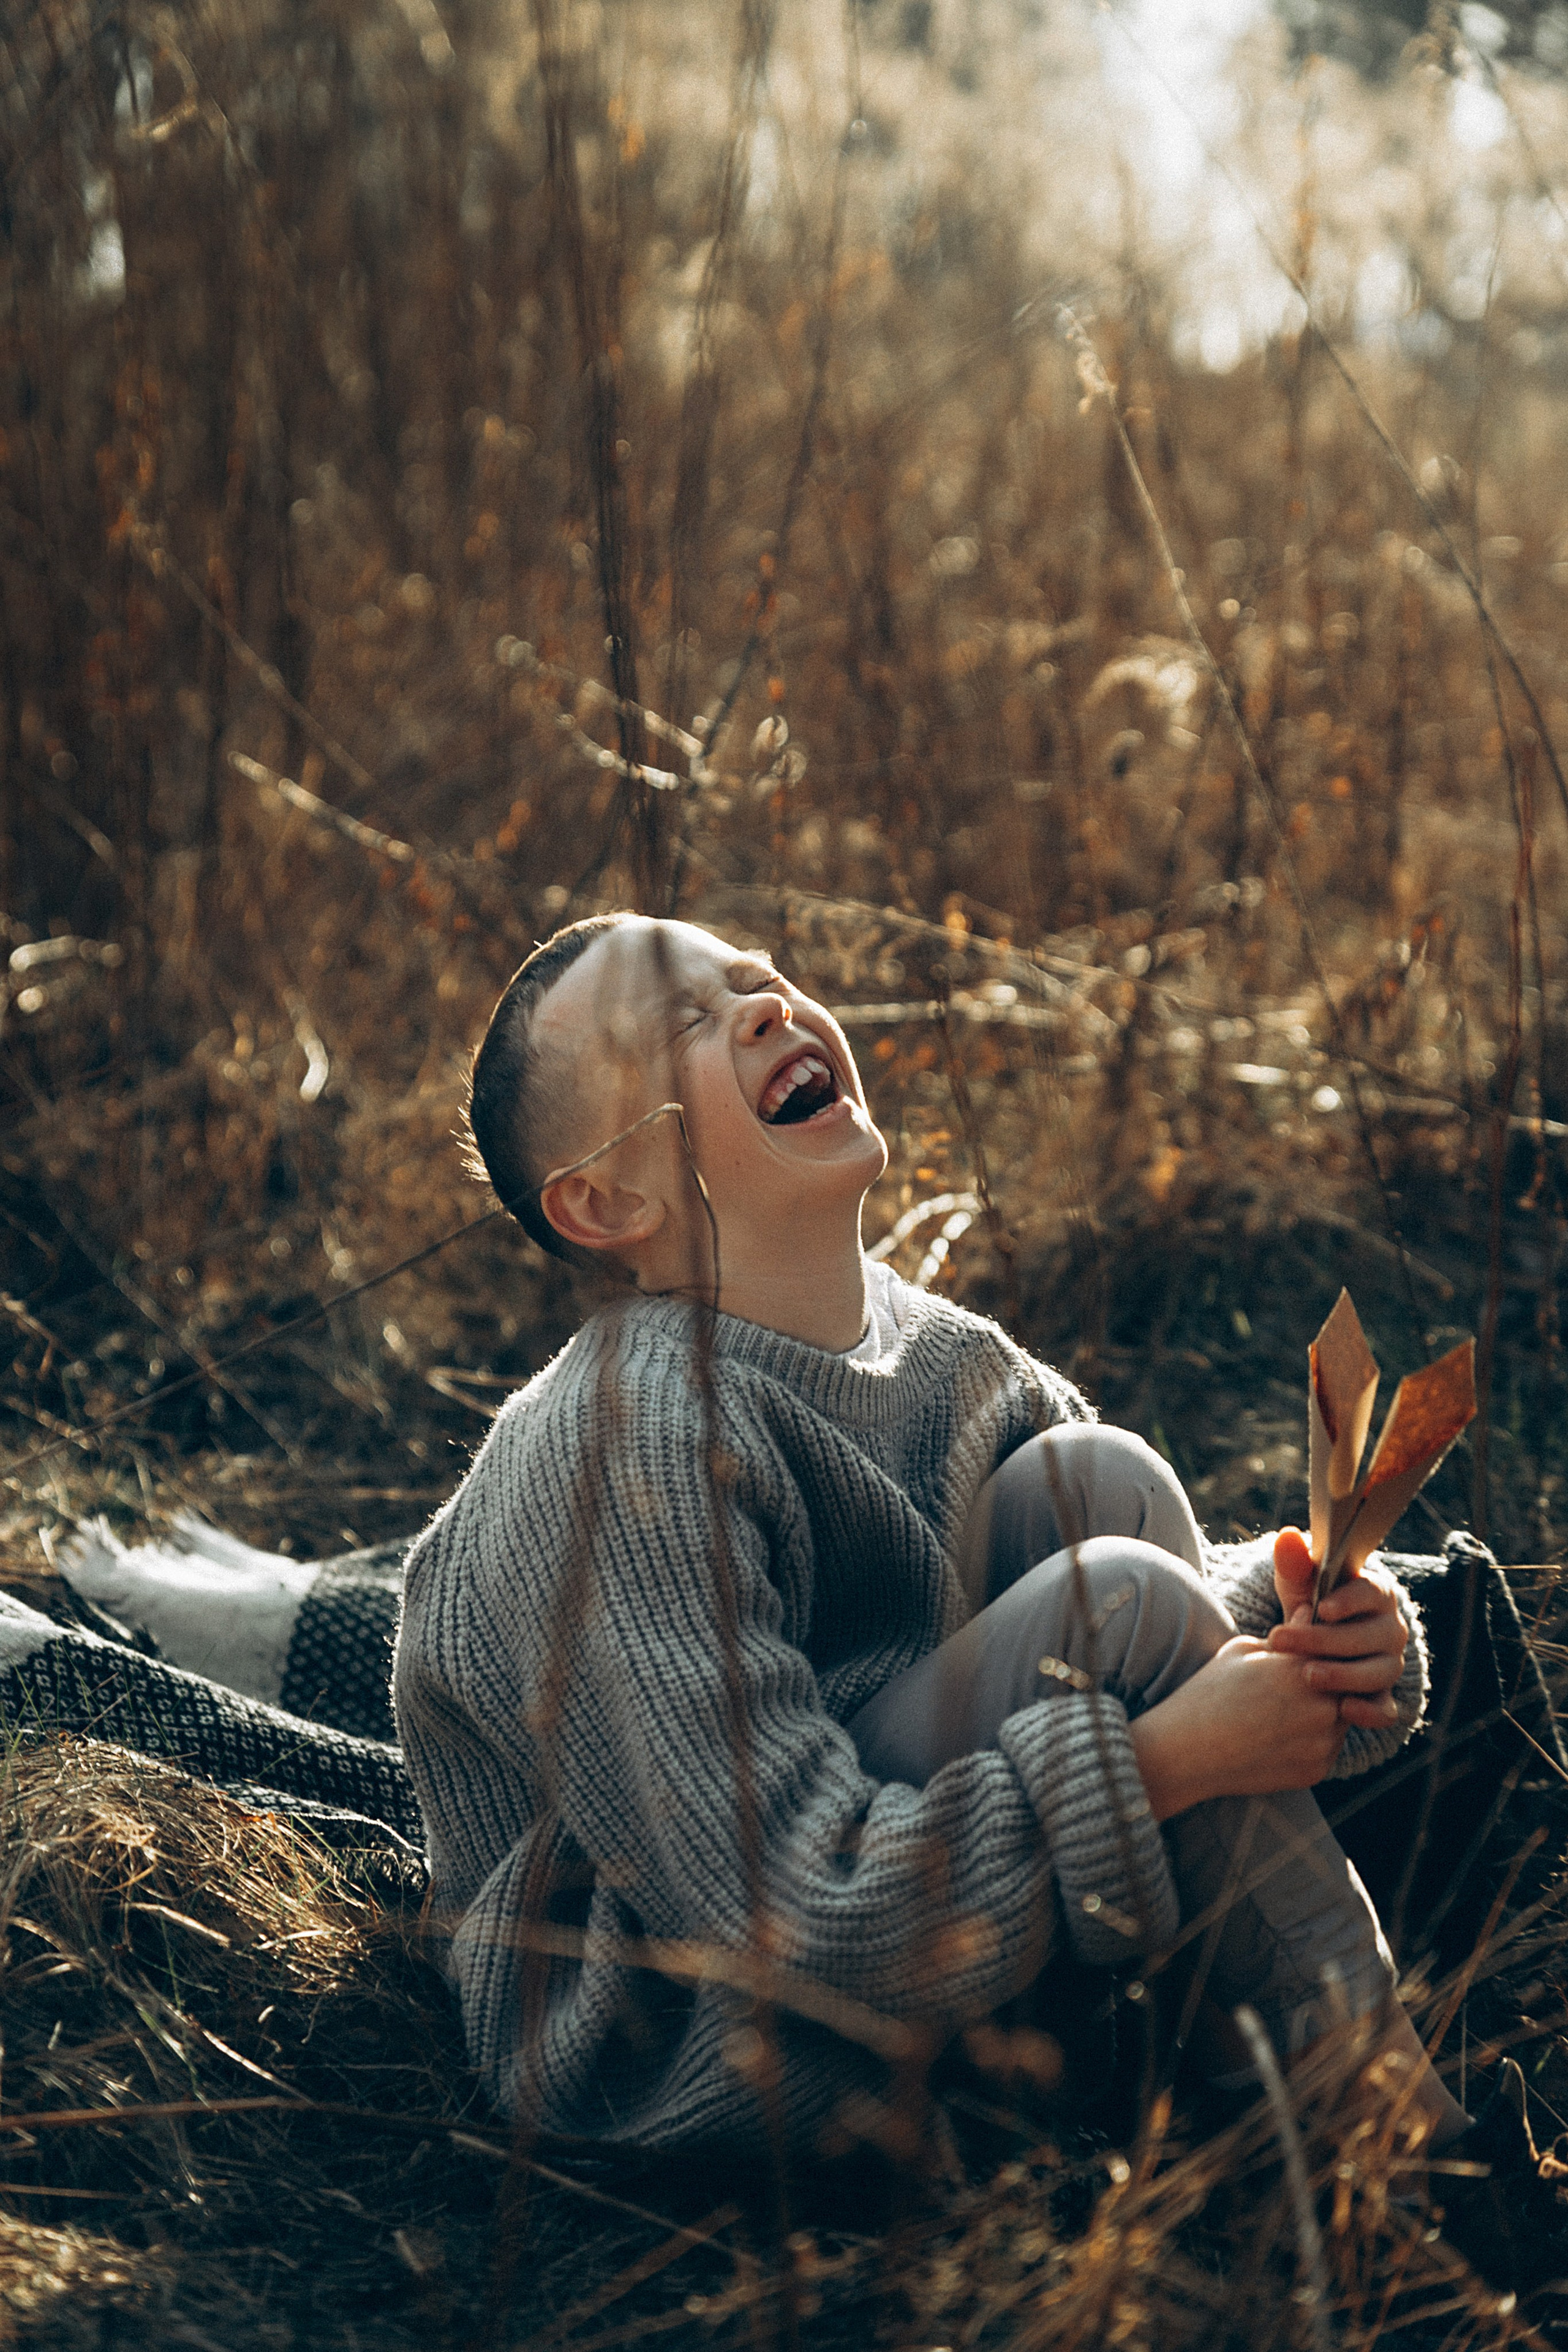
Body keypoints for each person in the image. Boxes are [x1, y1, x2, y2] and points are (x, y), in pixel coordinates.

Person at [388, 911, 1531, 2181]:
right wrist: (1153, 1768)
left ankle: (1273, 2083)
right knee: (1117, 1595)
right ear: (604, 1200)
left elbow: (1167, 1622)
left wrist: (1306, 1631)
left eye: (755, 979)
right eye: (681, 1026)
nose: (764, 1009)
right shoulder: (621, 1438)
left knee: (1093, 1484)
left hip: (945, 1923)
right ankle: (1408, 2163)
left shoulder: (946, 1357)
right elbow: (785, 1917)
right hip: (711, 2036)